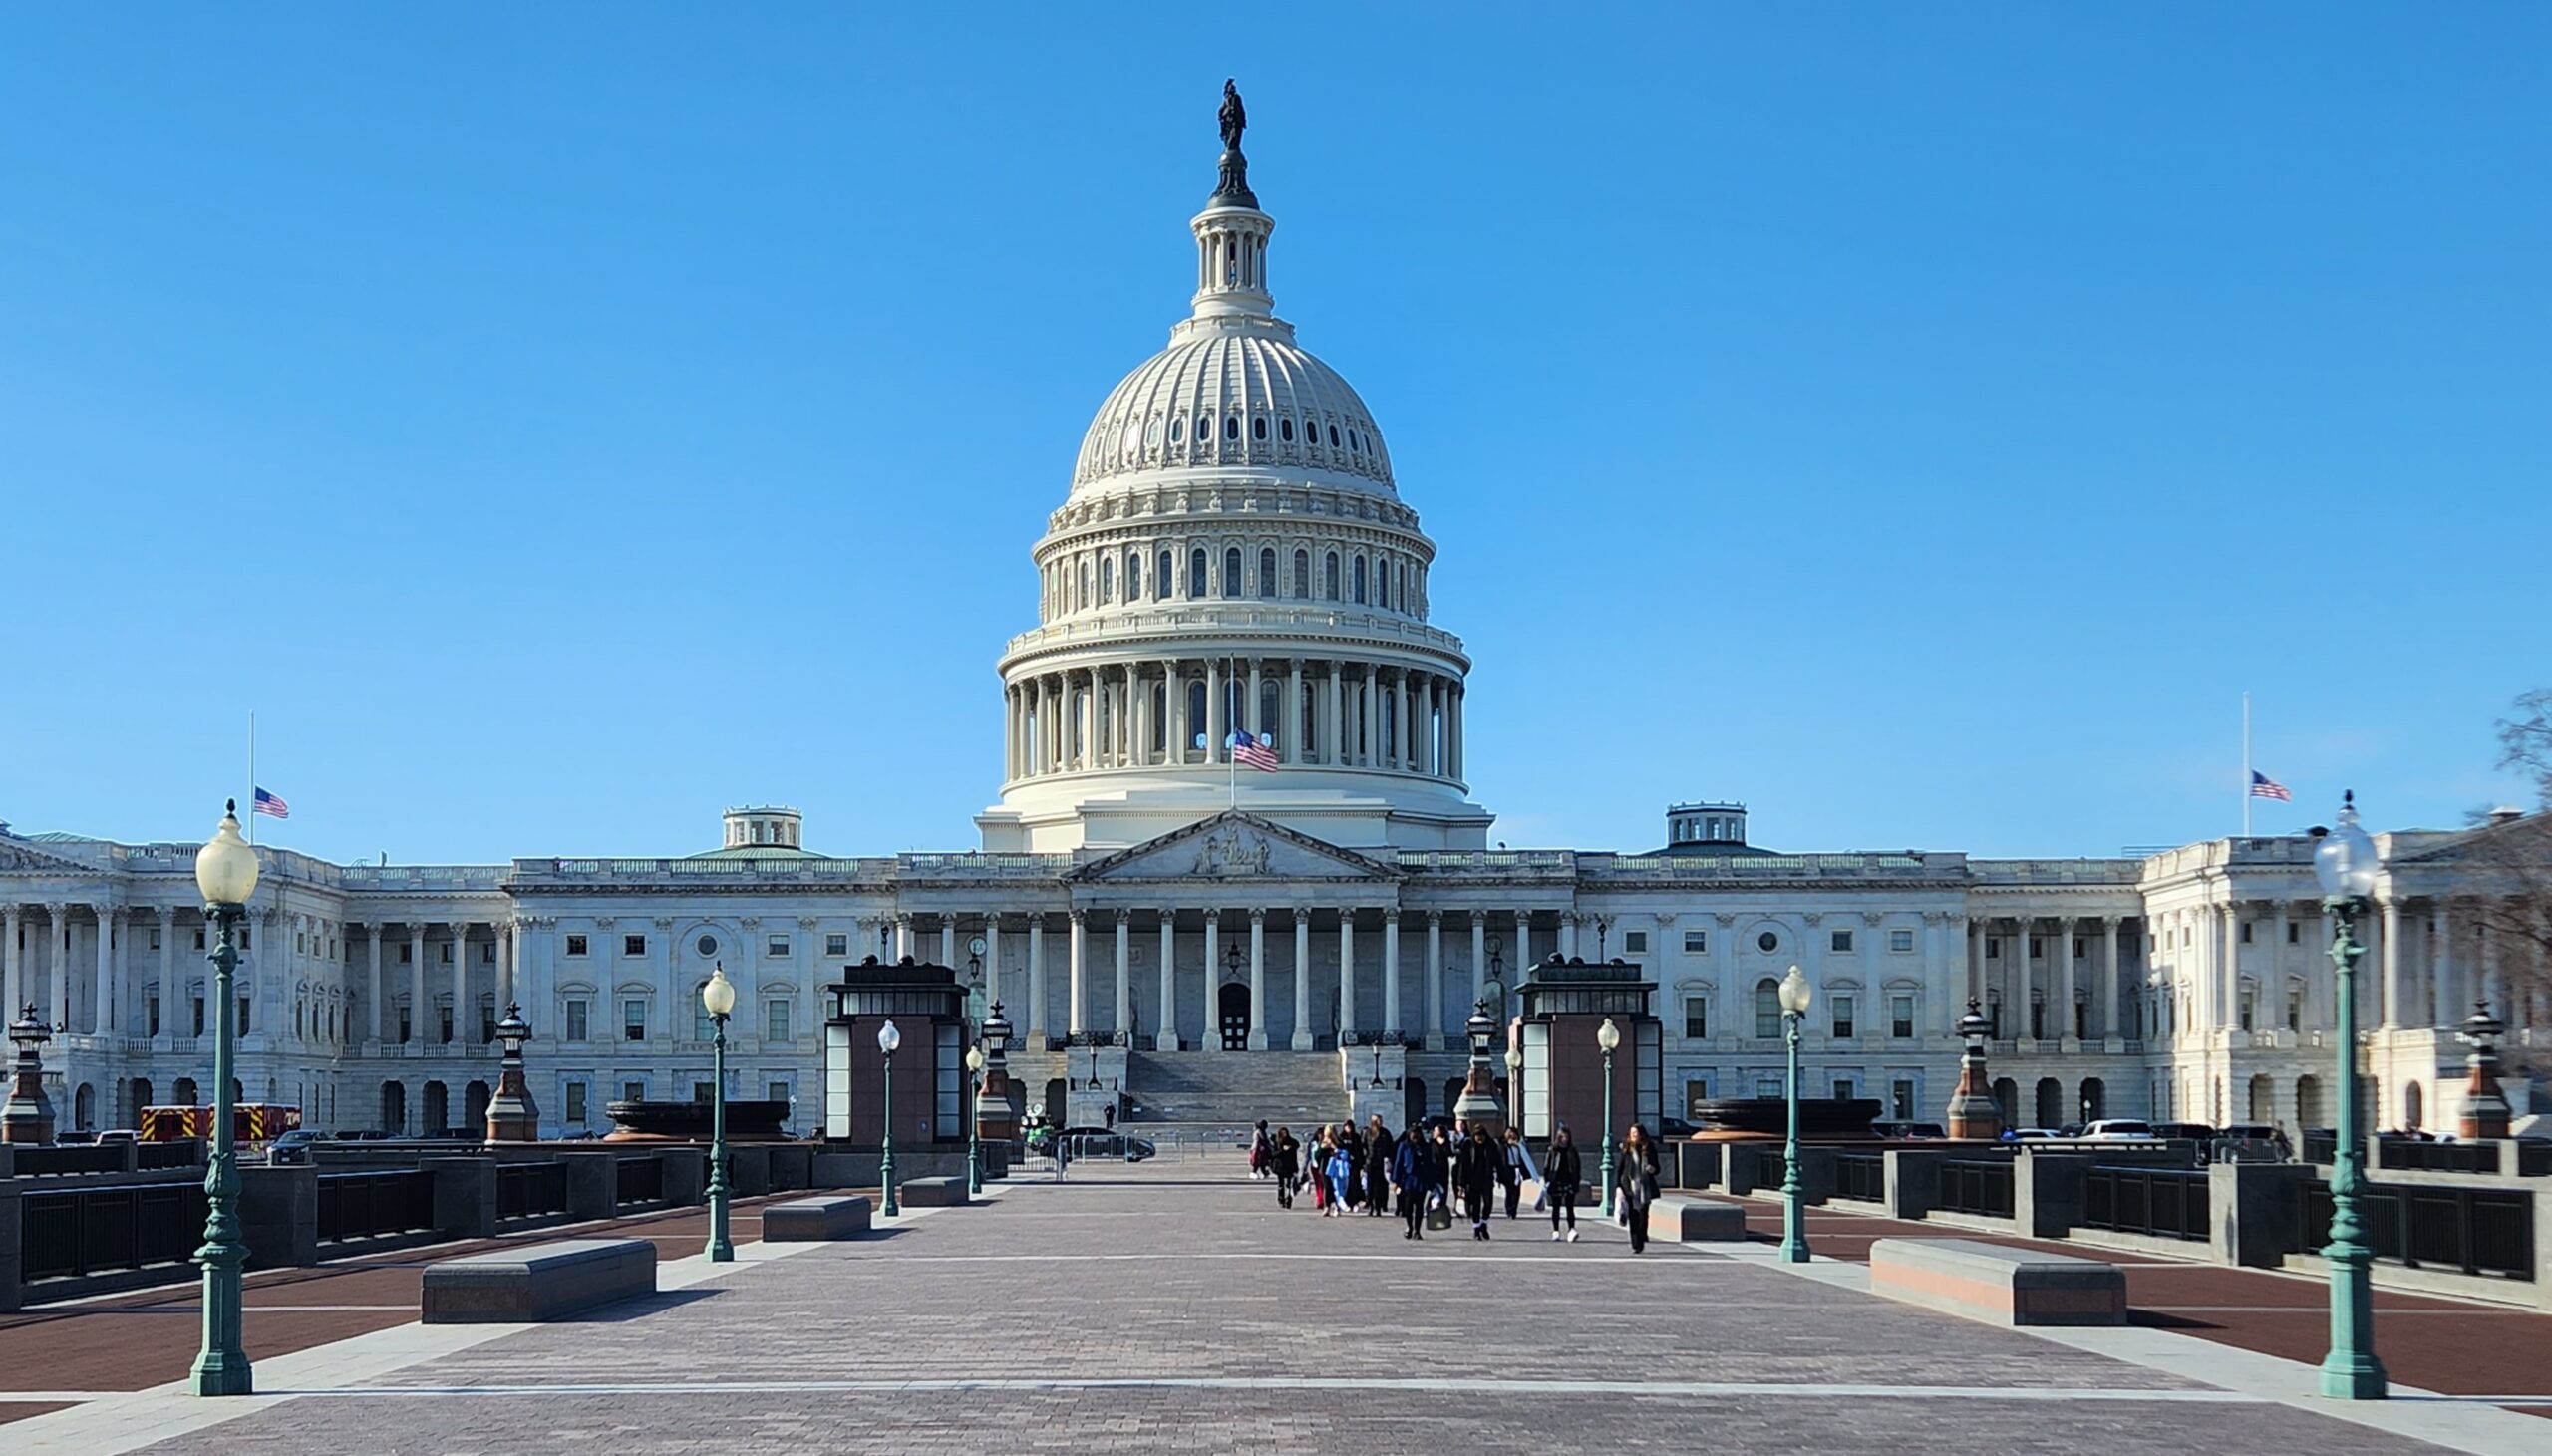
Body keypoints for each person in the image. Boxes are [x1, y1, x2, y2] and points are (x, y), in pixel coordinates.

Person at [1618, 1122, 1662, 1253]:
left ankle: (1642, 1235)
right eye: (1631, 1134)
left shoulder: (1648, 1148)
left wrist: (1652, 1169)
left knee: (1643, 1216)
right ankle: (1636, 1244)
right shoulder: (1626, 1149)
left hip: (1645, 1187)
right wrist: (1618, 1186)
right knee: (1633, 1216)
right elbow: (1620, 1169)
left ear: (1641, 1134)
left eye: (1635, 1133)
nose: (1633, 1136)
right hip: (1630, 1187)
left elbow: (1657, 1168)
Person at [1391, 1125, 1437, 1239]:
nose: (1414, 1136)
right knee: (1407, 1206)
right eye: (1412, 1134)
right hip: (1407, 1179)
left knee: (1419, 1206)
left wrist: (1432, 1182)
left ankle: (1417, 1229)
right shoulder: (1404, 1146)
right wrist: (1395, 1181)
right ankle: (1409, 1226)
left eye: (1416, 1134)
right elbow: (1398, 1163)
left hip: (1421, 1180)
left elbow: (1430, 1164)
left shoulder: (1425, 1147)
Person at [1456, 1123, 1500, 1240]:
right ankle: (1476, 1229)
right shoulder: (1468, 1145)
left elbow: (1498, 1162)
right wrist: (1461, 1182)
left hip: (1487, 1179)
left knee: (1488, 1203)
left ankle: (1483, 1223)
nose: (1480, 1138)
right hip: (1472, 1179)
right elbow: (1463, 1165)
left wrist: (1502, 1177)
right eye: (1477, 1136)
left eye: (1482, 1136)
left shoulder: (1491, 1145)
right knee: (1475, 1205)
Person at [1545, 1123, 1583, 1241]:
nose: (1564, 1139)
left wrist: (1576, 1181)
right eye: (1562, 1137)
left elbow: (1577, 1167)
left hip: (1569, 1181)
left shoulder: (1572, 1151)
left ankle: (1571, 1229)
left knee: (1569, 1207)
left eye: (1566, 1137)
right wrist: (1547, 1180)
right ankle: (1556, 1230)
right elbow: (1547, 1166)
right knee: (1556, 1207)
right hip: (1556, 1181)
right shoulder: (1553, 1150)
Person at [1364, 1117, 1393, 1216]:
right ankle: (1371, 1206)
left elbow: (1390, 1147)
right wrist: (1366, 1157)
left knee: (1380, 1187)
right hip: (1371, 1162)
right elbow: (1363, 1145)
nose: (1380, 1122)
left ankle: (1379, 1207)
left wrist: (1388, 1158)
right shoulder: (1368, 1132)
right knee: (1370, 1186)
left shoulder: (1385, 1133)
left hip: (1381, 1162)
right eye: (1378, 1121)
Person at [1499, 1126, 1528, 1218]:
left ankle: (1514, 1208)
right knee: (1509, 1190)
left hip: (1518, 1168)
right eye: (1510, 1133)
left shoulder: (1520, 1145)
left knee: (1517, 1191)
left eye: (1513, 1133)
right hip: (1508, 1169)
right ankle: (1509, 1209)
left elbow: (1525, 1157)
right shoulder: (1504, 1146)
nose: (1512, 1135)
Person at [1271, 1126, 1299, 1209]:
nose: (1284, 1135)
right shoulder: (1277, 1143)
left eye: (1285, 1133)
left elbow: (1297, 1145)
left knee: (1289, 1184)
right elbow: (1273, 1154)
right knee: (1281, 1183)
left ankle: (1288, 1199)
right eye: (1282, 1134)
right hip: (1280, 1166)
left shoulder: (1292, 1142)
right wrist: (1282, 1150)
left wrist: (1290, 1147)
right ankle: (1281, 1199)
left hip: (1290, 1166)